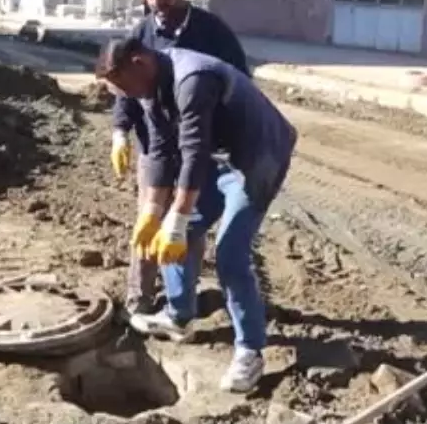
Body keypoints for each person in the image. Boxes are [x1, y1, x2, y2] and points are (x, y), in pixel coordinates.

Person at [95, 37, 297, 393]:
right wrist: (154, 213)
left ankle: (250, 351)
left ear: (140, 62)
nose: (128, 95)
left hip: (257, 157)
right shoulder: (148, 86)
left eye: (126, 86)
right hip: (218, 156)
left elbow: (193, 152)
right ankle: (179, 316)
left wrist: (176, 216)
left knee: (230, 254)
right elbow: (159, 149)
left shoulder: (193, 79)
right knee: (179, 233)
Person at [110, 0, 250, 319]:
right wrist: (120, 131)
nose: (157, 2)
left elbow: (240, 83)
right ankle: (139, 299)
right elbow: (124, 85)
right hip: (155, 145)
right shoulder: (141, 32)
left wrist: (223, 128)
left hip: (199, 141)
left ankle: (180, 303)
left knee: (185, 223)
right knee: (148, 220)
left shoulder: (212, 32)